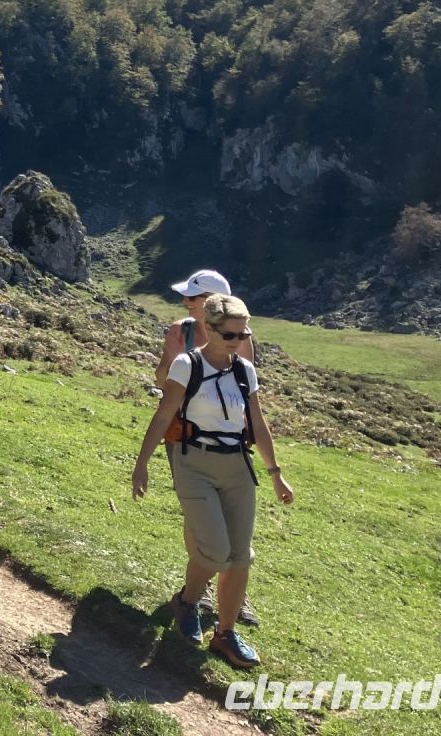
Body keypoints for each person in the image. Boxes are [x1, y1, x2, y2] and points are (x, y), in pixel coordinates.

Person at [133, 294, 295, 671]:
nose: (238, 342)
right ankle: (187, 603)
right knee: (216, 550)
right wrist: (141, 463)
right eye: (231, 335)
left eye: (244, 334)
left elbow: (258, 424)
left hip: (237, 466)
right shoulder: (186, 366)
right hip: (195, 464)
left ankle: (225, 633)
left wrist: (276, 475)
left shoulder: (244, 371)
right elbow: (162, 417)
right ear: (209, 329)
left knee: (240, 558)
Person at [157, 269, 261, 629]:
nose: (186, 302)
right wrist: (173, 359)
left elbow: (245, 388)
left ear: (215, 303)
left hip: (229, 445)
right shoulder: (179, 332)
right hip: (183, 436)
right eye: (188, 298)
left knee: (232, 528)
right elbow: (162, 382)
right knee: (200, 516)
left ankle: (229, 593)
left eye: (194, 298)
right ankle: (197, 591)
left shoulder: (239, 336)